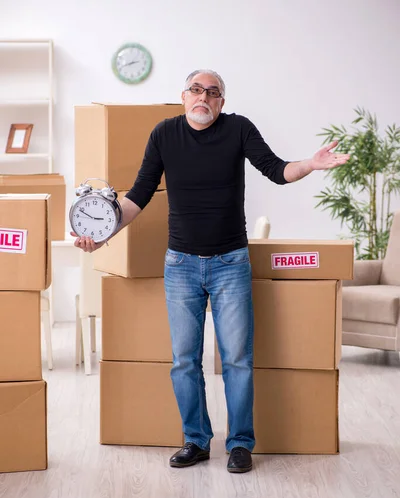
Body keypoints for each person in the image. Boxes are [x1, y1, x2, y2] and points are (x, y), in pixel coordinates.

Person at [72, 69, 350, 474]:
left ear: (221, 101)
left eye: (214, 92)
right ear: (184, 96)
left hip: (230, 263)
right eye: (197, 90)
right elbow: (139, 195)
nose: (205, 97)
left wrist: (310, 163)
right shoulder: (164, 134)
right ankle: (196, 441)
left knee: (237, 359)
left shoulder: (238, 129)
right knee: (185, 360)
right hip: (181, 265)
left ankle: (239, 444)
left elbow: (275, 169)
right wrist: (101, 236)